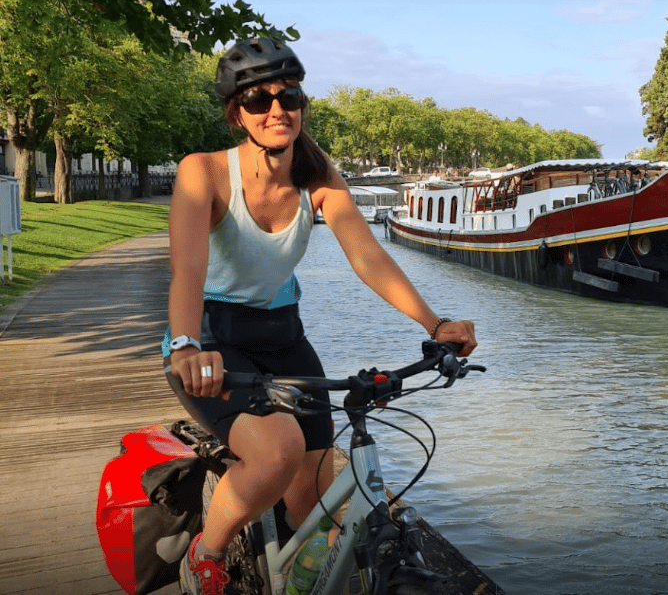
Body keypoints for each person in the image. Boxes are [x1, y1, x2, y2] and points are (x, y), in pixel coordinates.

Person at [162, 36, 477, 595]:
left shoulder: (318, 175)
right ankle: (204, 557)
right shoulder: (203, 172)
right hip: (214, 338)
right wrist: (187, 345)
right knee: (276, 451)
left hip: (285, 337)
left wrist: (435, 324)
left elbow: (369, 256)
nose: (277, 109)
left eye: (289, 96)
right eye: (259, 101)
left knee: (311, 498)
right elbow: (188, 269)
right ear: (239, 115)